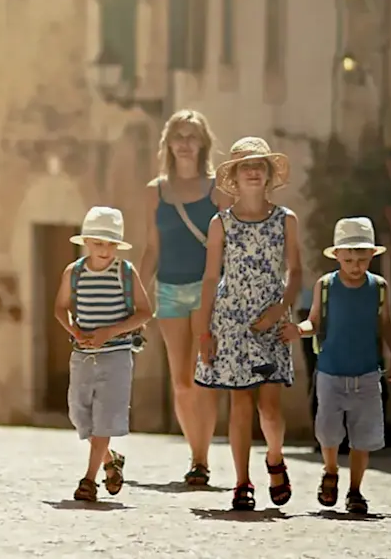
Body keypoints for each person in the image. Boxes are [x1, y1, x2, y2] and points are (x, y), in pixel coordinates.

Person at [193, 137, 301, 512]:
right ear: (234, 177)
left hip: (270, 319)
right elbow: (210, 278)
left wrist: (282, 309)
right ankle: (241, 482)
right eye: (245, 166)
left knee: (269, 407)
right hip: (231, 321)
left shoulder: (286, 220)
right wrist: (204, 331)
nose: (253, 171)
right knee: (239, 403)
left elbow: (296, 271)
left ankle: (274, 457)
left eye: (259, 165)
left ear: (269, 175)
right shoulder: (220, 223)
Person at [281, 217, 391, 515]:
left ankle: (356, 491)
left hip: (368, 373)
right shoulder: (326, 286)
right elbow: (315, 321)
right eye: (348, 259)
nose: (355, 265)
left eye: (362, 259)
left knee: (363, 436)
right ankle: (331, 470)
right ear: (337, 256)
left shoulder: (380, 288)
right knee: (328, 431)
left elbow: (386, 325)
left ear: (372, 256)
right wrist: (300, 330)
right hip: (331, 372)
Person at [140, 109, 231, 486]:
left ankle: (200, 459)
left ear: (203, 143)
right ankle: (194, 451)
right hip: (170, 291)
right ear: (168, 143)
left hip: (207, 291)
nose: (185, 143)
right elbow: (151, 247)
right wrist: (137, 292)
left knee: (203, 376)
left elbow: (230, 244)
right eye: (178, 135)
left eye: (192, 136)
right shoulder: (155, 191)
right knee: (180, 380)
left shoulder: (217, 190)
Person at [54, 206, 154, 503]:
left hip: (116, 357)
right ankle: (110, 460)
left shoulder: (125, 273)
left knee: (104, 418)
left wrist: (109, 333)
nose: (104, 249)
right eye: (98, 243)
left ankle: (88, 479)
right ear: (86, 242)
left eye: (110, 243)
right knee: (78, 412)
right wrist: (75, 332)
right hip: (82, 355)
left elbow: (145, 312)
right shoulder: (74, 273)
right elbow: (60, 308)